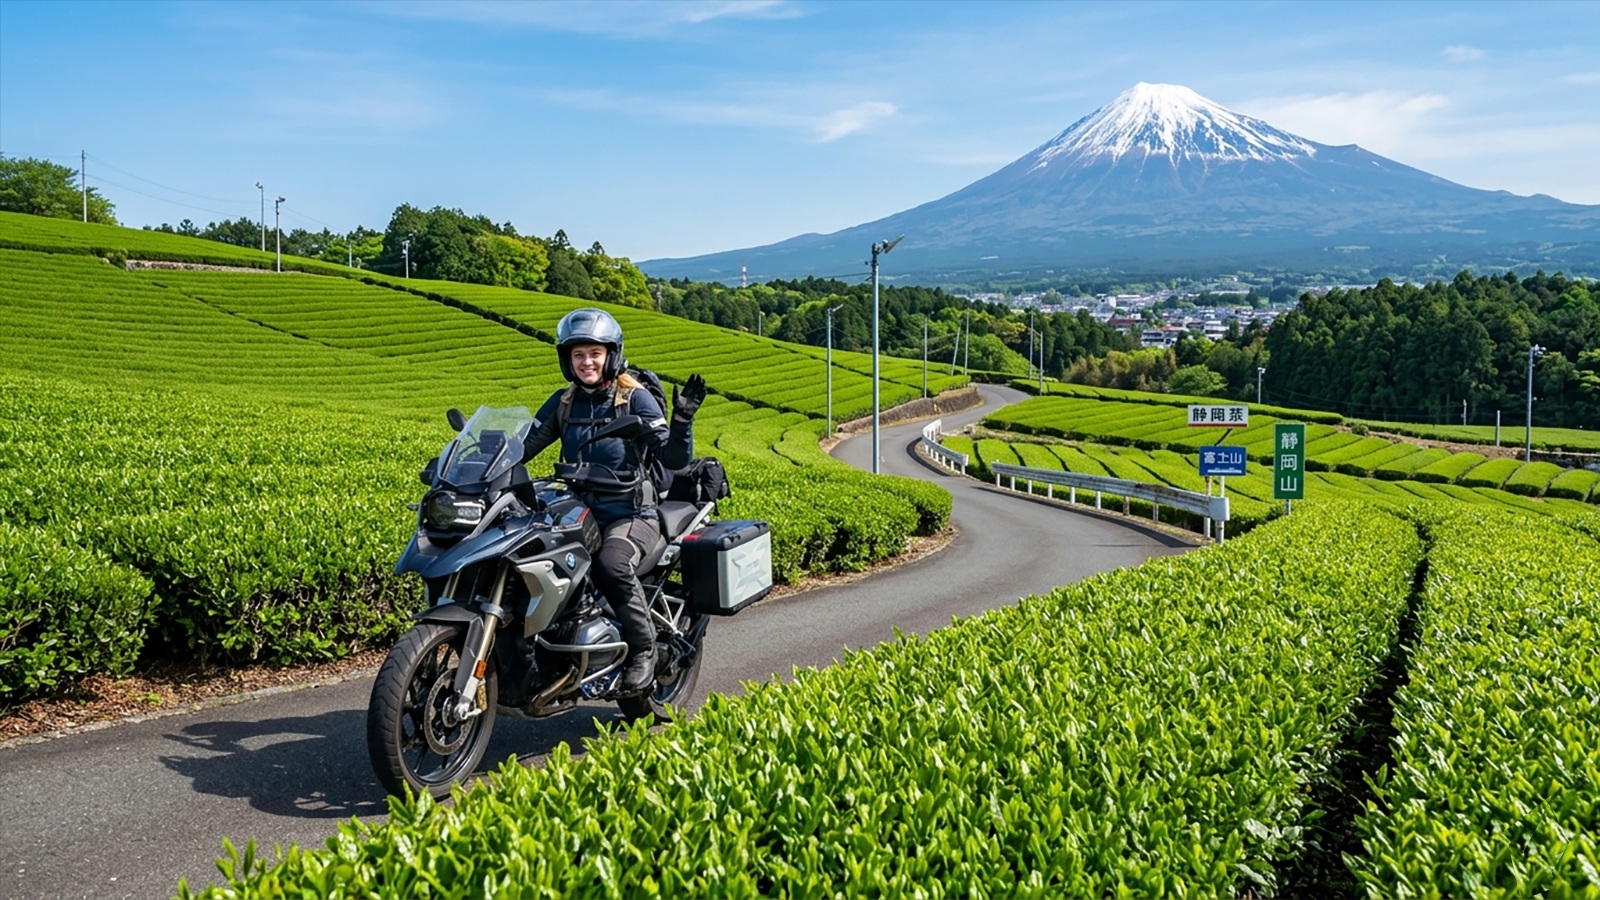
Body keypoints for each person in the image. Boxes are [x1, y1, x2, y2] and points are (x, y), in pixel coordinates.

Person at [519, 308, 705, 694]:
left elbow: (673, 460)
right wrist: (480, 463)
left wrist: (683, 423)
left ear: (611, 355)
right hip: (577, 509)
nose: (587, 362)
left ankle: (643, 650)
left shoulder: (634, 400)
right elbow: (525, 446)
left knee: (611, 564)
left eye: (595, 353)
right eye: (578, 355)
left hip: (631, 512)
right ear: (567, 360)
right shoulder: (564, 403)